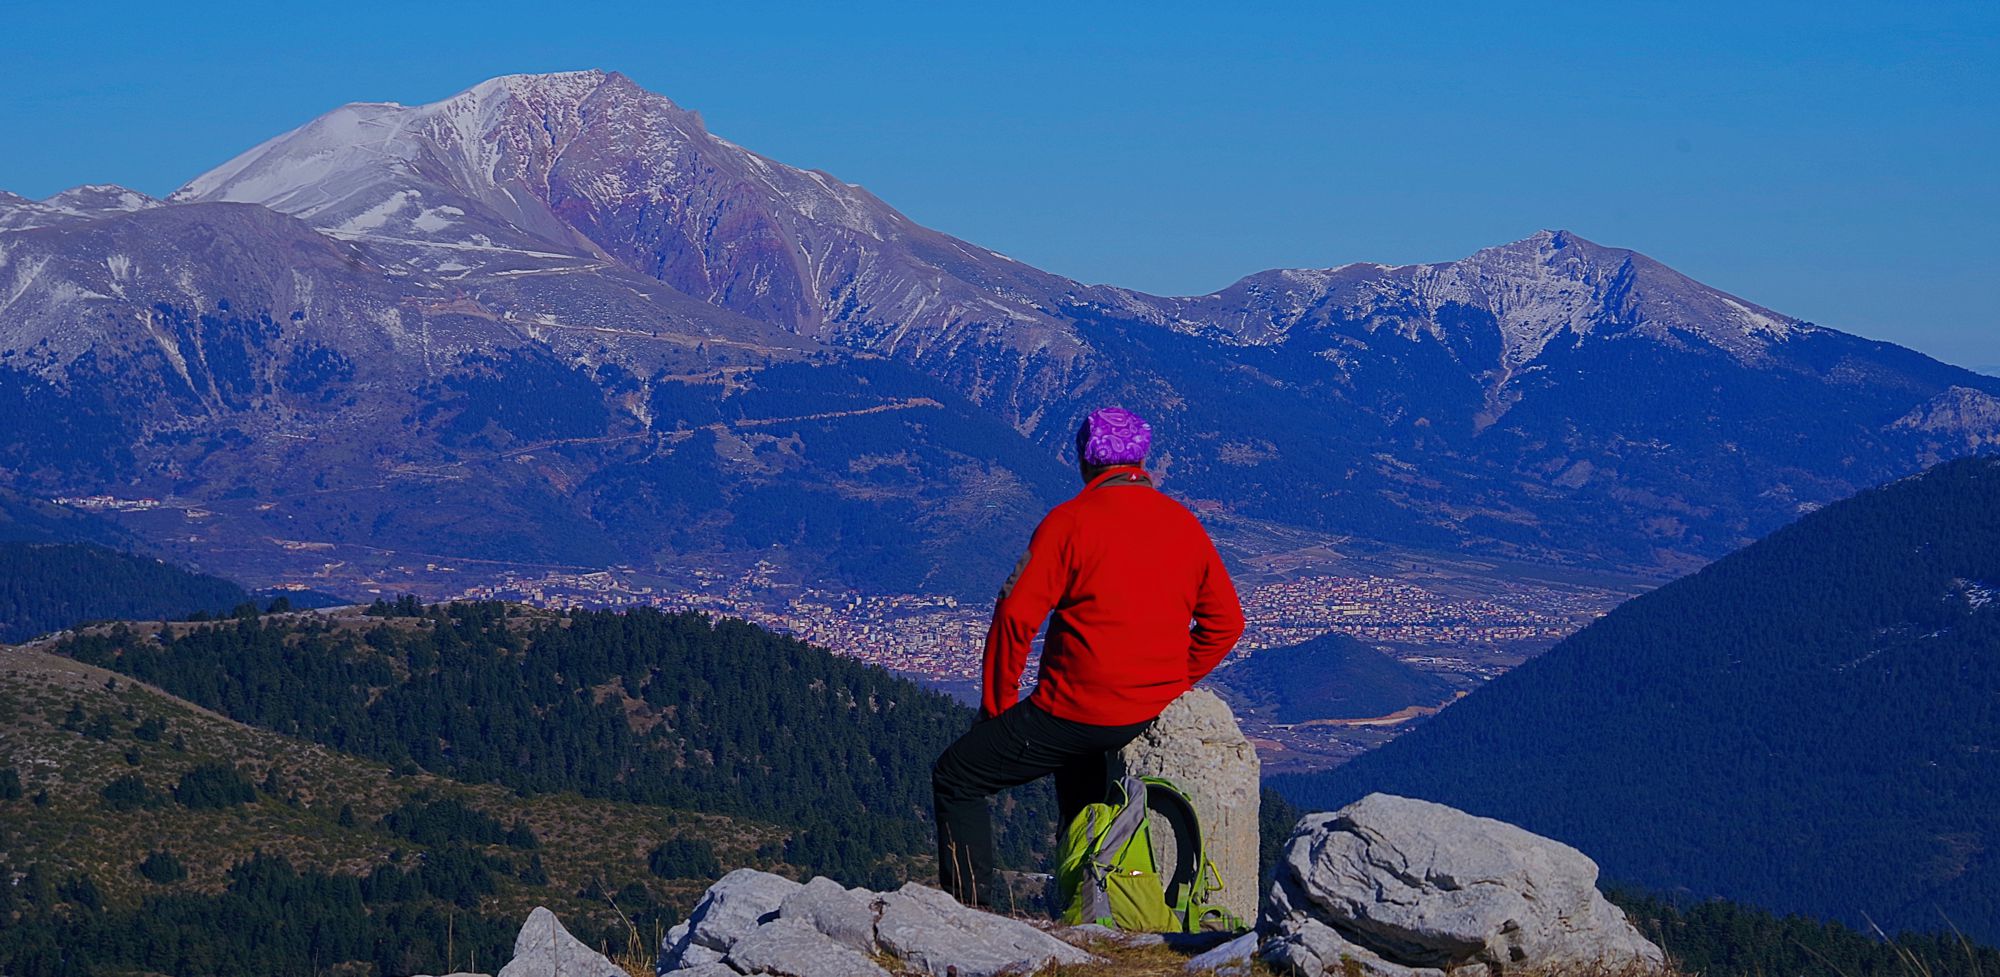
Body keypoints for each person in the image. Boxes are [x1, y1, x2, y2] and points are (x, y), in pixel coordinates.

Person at [931, 406, 1245, 907]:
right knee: (1083, 793)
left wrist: (995, 711)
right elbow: (1227, 623)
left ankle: (969, 914)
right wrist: (1173, 679)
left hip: (1074, 709)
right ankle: (1092, 904)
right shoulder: (1183, 524)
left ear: (1084, 459)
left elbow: (1015, 619)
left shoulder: (1069, 523)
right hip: (1140, 709)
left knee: (958, 775)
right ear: (1143, 458)